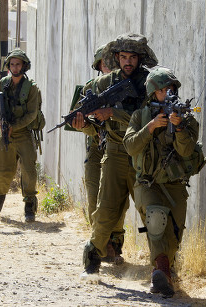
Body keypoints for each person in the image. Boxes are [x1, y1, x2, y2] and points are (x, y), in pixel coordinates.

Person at [71, 33, 158, 277]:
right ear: (116, 58)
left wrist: (113, 113)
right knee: (106, 211)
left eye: (132, 57)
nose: (127, 62)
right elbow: (93, 126)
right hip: (115, 153)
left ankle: (162, 267)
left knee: (152, 213)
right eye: (123, 57)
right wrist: (83, 123)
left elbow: (149, 119)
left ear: (140, 59)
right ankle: (93, 256)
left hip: (142, 155)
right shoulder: (102, 85)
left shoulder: (150, 84)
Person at [123, 67, 200, 297]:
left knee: (174, 236)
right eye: (163, 90)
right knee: (156, 220)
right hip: (147, 184)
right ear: (152, 93)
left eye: (171, 89)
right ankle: (160, 272)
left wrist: (178, 127)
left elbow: (186, 152)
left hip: (175, 184)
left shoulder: (186, 119)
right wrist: (152, 126)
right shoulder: (140, 116)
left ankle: (165, 269)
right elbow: (130, 146)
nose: (168, 93)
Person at [0, 48, 42, 222]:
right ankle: (0, 195)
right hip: (6, 134)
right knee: (2, 169)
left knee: (28, 171)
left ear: (24, 66)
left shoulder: (31, 88)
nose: (15, 67)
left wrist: (15, 126)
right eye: (12, 64)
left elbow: (32, 114)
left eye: (18, 64)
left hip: (24, 133)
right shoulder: (1, 85)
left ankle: (29, 206)